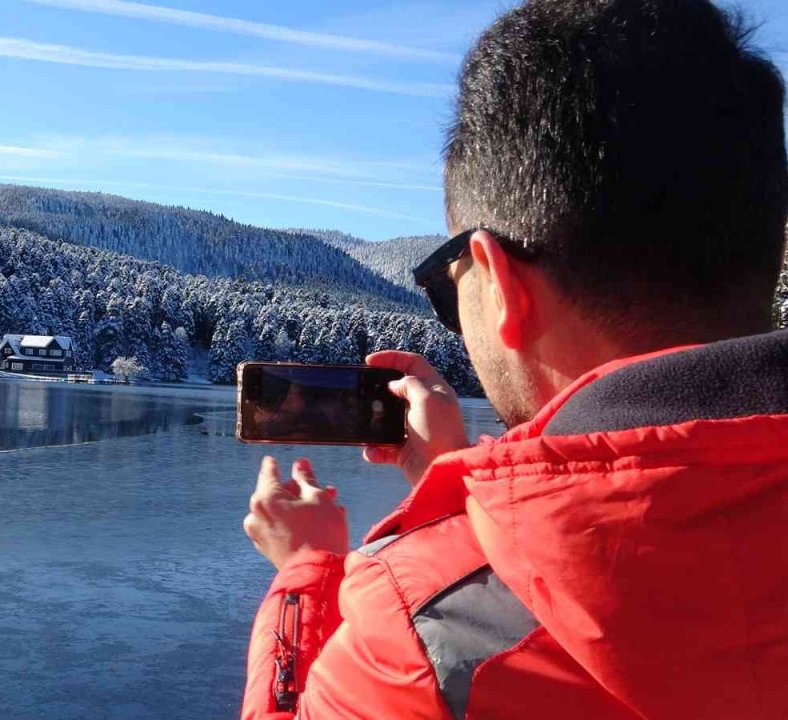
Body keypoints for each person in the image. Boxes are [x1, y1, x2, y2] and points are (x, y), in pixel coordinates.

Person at [239, 1, 788, 718]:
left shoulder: (419, 637)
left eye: (447, 284)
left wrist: (308, 570)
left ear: (500, 283)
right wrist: (450, 485)